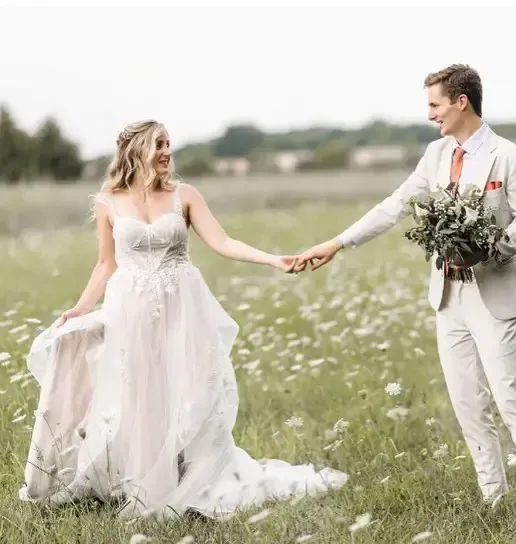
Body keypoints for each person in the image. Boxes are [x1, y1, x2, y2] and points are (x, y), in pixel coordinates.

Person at [19, 120, 347, 518]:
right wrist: (81, 307)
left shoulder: (185, 195)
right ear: (137, 149)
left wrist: (273, 260)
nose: (167, 152)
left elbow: (223, 242)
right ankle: (145, 479)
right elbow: (105, 264)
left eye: (169, 144)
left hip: (183, 306)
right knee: (138, 393)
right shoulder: (108, 202)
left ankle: (191, 475)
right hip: (131, 309)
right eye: (159, 144)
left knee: (186, 389)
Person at [294, 64, 516, 511]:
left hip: (493, 296)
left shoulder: (510, 156)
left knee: (512, 400)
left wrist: (487, 251)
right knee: (467, 404)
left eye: (435, 105)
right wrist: (338, 242)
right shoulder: (435, 156)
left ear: (461, 102)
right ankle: (494, 498)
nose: (430, 115)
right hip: (447, 297)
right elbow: (395, 205)